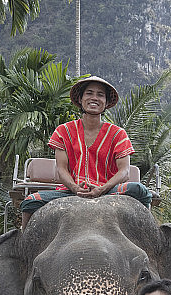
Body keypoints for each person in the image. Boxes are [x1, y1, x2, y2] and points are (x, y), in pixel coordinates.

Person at [20, 75, 152, 227]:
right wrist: (75, 188)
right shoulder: (63, 131)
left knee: (140, 190)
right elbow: (61, 169)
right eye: (89, 93)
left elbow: (125, 172)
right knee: (30, 201)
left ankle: (150, 236)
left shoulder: (118, 134)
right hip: (71, 191)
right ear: (80, 99)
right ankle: (22, 241)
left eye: (100, 94)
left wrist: (102, 189)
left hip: (109, 190)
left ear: (106, 102)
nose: (94, 98)